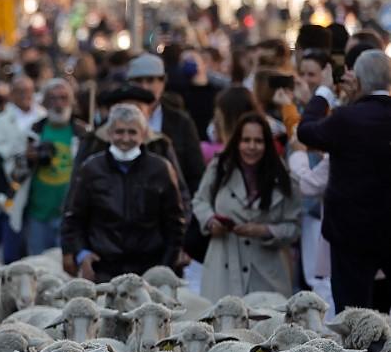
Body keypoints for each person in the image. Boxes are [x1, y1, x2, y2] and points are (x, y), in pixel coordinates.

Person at [296, 50, 391, 310]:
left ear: (357, 81)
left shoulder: (346, 118)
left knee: (354, 318)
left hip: (351, 235)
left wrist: (325, 92)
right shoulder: (349, 116)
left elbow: (306, 131)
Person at [61, 104, 185, 282]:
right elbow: (74, 217)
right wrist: (82, 254)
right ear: (109, 133)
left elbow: (175, 223)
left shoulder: (160, 169)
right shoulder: (91, 169)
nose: (125, 139)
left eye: (132, 132)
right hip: (103, 269)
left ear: (143, 134)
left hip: (150, 269)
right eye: (119, 132)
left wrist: (166, 267)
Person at [193, 113, 299, 300]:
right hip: (222, 269)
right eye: (246, 140)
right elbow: (200, 201)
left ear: (268, 144)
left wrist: (265, 230)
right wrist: (210, 221)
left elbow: (294, 227)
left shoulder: (285, 179)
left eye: (258, 141)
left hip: (267, 276)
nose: (252, 147)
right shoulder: (218, 168)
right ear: (237, 142)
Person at [8, 78, 91, 256]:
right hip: (38, 215)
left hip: (70, 217)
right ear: (44, 102)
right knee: (38, 269)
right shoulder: (33, 132)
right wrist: (28, 160)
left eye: (63, 98)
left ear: (71, 101)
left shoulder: (83, 133)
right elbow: (14, 175)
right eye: (53, 98)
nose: (58, 103)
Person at [127, 53, 207, 196]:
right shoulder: (116, 120)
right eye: (138, 81)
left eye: (151, 80)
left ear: (163, 82)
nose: (144, 87)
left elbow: (196, 172)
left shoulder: (180, 122)